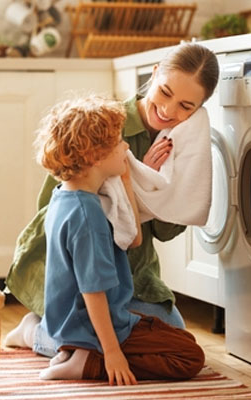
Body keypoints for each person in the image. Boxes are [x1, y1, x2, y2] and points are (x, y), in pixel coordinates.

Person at [5, 42, 219, 356]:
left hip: (131, 274)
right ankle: (35, 331)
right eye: (165, 92)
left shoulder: (183, 140)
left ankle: (74, 330)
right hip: (76, 269)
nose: (169, 111)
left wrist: (155, 184)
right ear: (155, 73)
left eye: (186, 107)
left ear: (199, 109)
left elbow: (164, 231)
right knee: (105, 343)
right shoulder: (104, 124)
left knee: (172, 332)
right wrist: (135, 174)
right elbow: (54, 209)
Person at [33, 95, 204, 384]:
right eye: (118, 143)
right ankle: (89, 362)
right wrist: (112, 352)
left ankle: (72, 350)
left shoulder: (65, 197)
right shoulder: (88, 216)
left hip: (73, 321)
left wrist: (126, 180)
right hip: (91, 324)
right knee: (189, 355)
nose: (126, 147)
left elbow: (134, 239)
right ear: (95, 157)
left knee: (171, 333)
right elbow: (93, 293)